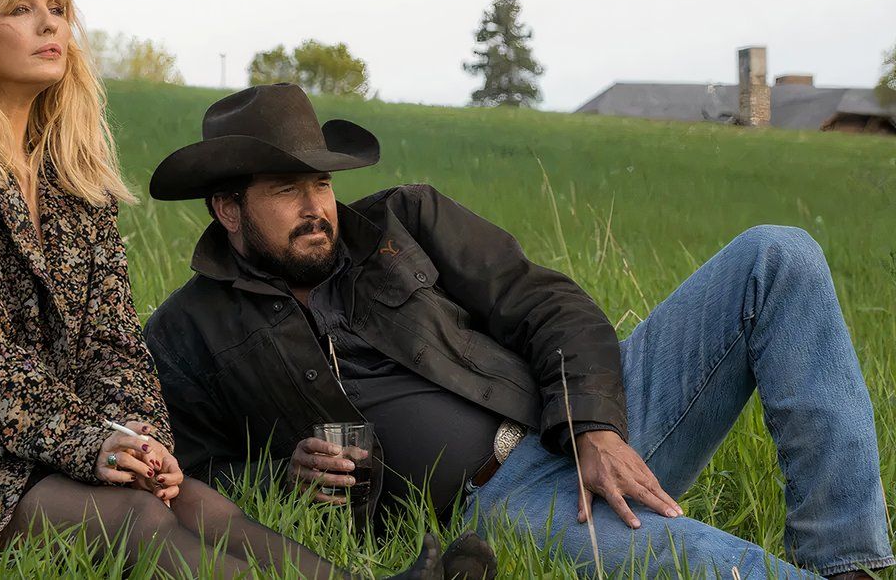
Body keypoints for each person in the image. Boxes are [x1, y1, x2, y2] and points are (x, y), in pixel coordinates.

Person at [0, 0, 495, 579]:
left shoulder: (76, 178)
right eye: (21, 8)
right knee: (135, 518)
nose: (49, 24)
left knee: (202, 504)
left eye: (58, 7)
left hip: (54, 440)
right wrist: (93, 444)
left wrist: (144, 440)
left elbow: (115, 343)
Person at [143, 82, 894, 579]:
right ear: (227, 208)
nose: (317, 207)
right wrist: (287, 476)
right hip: (500, 500)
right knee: (715, 565)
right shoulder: (188, 331)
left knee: (777, 255)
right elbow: (194, 476)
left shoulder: (402, 221)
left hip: (577, 421)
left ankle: (843, 561)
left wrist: (595, 424)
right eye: (286, 190)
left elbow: (549, 304)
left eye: (322, 182)